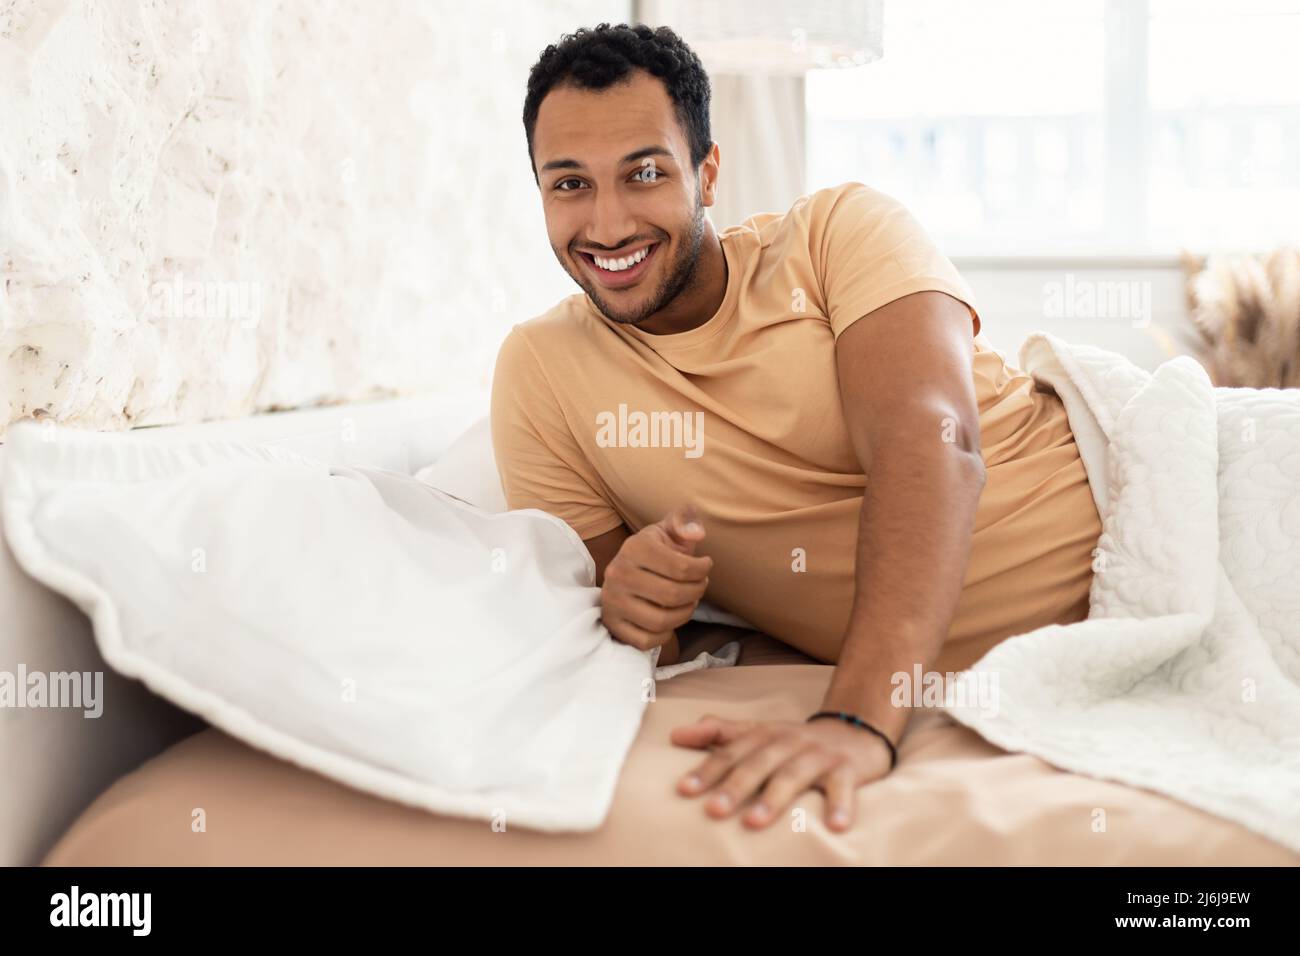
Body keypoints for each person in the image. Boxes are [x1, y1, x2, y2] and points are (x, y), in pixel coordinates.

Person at [491, 23, 1101, 833]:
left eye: (644, 173)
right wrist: (635, 604)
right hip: (1046, 665)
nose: (607, 223)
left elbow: (935, 439)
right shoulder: (540, 374)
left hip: (1149, 512)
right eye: (569, 184)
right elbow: (650, 640)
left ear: (707, 170)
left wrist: (855, 721)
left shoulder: (835, 235)